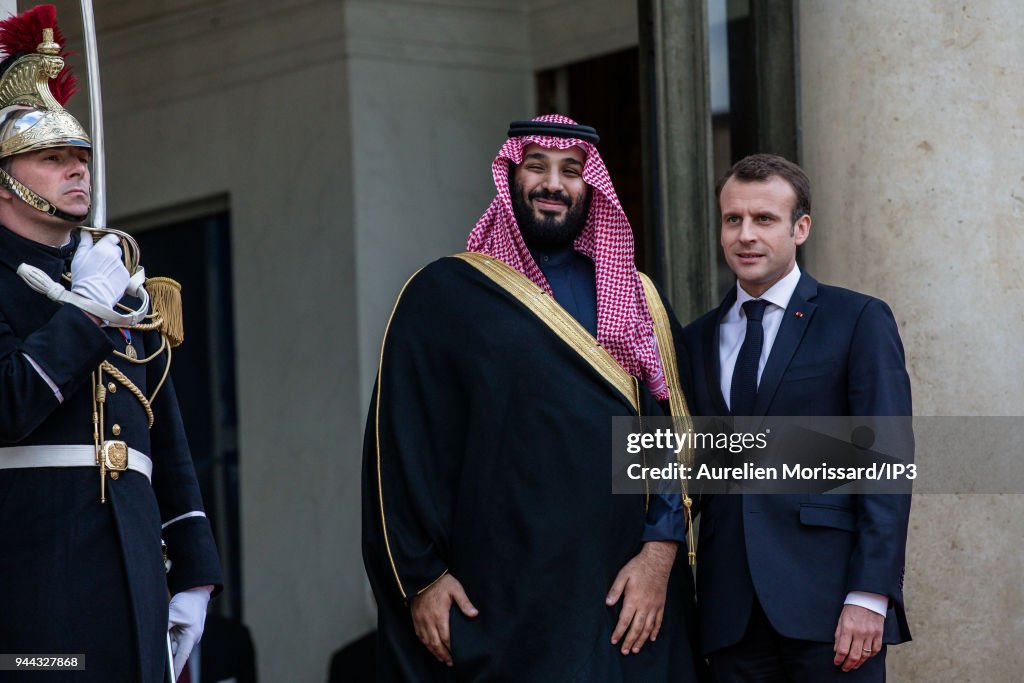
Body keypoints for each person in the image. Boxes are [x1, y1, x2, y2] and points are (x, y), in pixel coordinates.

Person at [362, 114, 703, 681]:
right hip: (499, 605)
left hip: (622, 602)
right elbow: (397, 449)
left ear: (590, 186)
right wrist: (421, 578)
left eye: (571, 171)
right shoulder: (443, 295)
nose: (553, 183)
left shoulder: (637, 298)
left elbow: (670, 438)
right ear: (510, 176)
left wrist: (658, 556)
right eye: (536, 167)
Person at [0, 6, 222, 681]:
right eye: (51, 157)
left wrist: (195, 570)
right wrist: (87, 314)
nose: (77, 172)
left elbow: (165, 434)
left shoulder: (116, 277)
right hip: (33, 578)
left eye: (80, 158)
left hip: (131, 570)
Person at [681, 153, 912, 681]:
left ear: (800, 227)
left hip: (829, 609)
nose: (746, 235)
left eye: (764, 219)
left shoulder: (856, 319)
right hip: (728, 616)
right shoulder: (694, 340)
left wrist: (870, 594)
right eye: (732, 219)